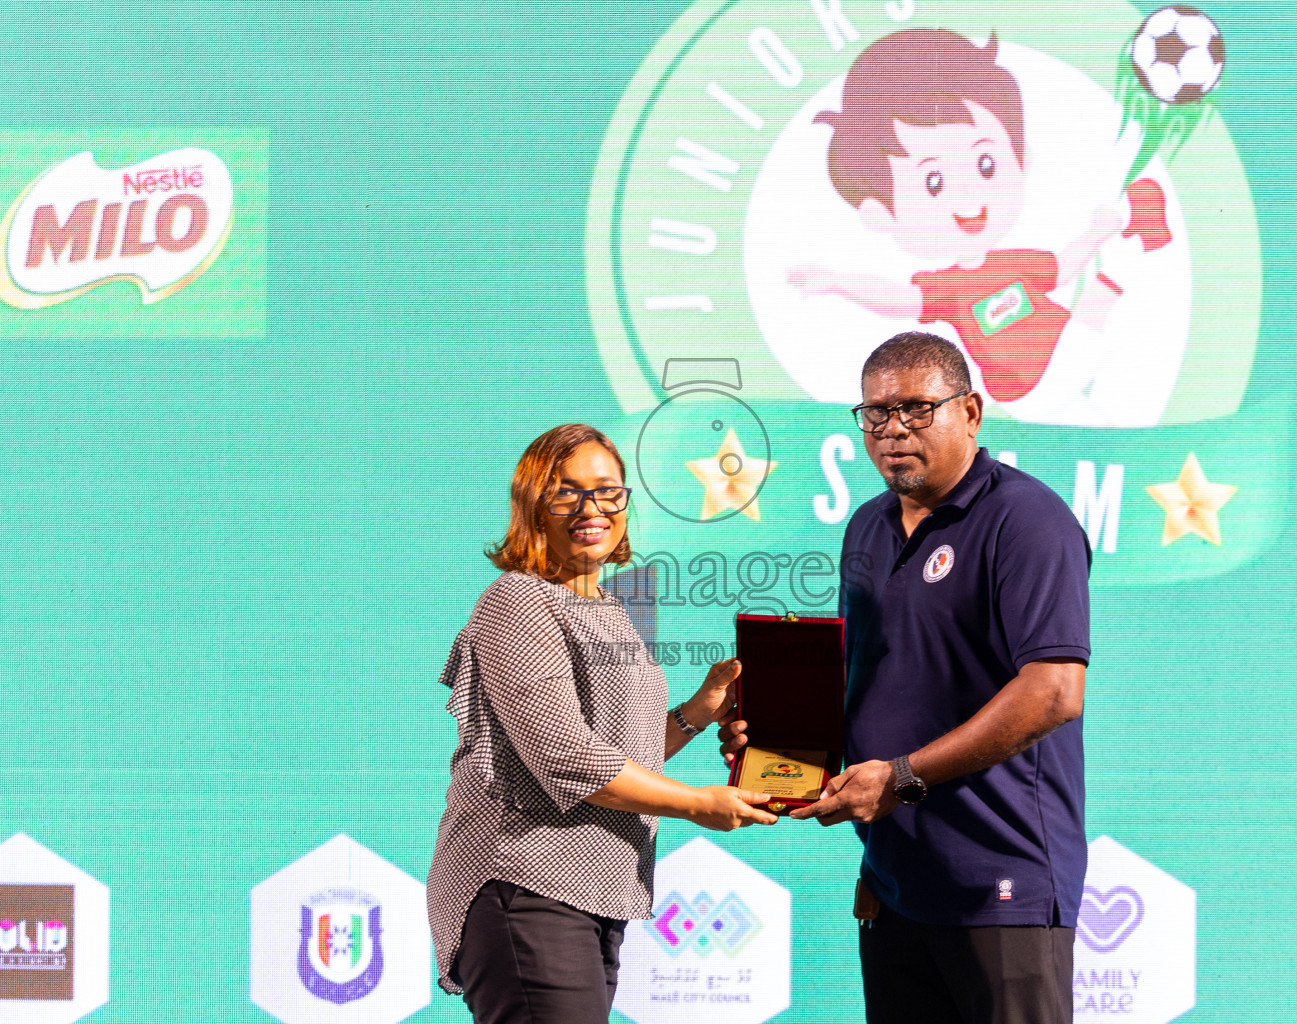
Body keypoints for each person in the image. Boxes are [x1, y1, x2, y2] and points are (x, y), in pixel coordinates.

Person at [721, 333, 1092, 1023]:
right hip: (896, 891)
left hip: (1000, 884)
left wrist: (899, 778)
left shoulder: (1027, 520)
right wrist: (773, 747)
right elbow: (872, 685)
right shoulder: (867, 526)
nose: (894, 430)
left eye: (918, 409)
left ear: (972, 412)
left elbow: (1054, 693)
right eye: (876, 414)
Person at [428, 423, 777, 1023]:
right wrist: (698, 804)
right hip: (526, 881)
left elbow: (618, 752)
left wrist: (699, 710)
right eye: (568, 492)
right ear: (533, 506)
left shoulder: (605, 605)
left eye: (609, 492)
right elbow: (568, 759)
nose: (592, 509)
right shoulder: (517, 601)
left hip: (592, 890)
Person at [787, 28, 1171, 423]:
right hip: (1028, 386)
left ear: (1022, 159)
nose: (968, 195)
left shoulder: (1011, 261)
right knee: (1100, 303)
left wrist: (1097, 230)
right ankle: (1137, 234)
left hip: (1067, 351)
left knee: (1093, 341)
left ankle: (1133, 233)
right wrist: (839, 282)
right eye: (933, 182)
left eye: (985, 164)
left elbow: (1059, 268)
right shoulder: (947, 288)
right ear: (881, 214)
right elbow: (897, 298)